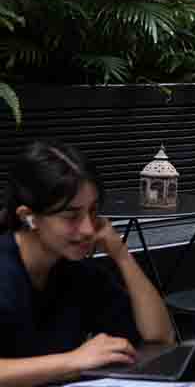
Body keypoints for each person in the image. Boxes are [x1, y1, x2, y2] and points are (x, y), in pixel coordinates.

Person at [0, 141, 175, 387]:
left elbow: (160, 337)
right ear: (28, 217)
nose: (88, 229)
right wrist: (73, 361)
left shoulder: (77, 271)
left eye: (93, 212)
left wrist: (121, 255)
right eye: (71, 216)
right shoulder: (5, 271)